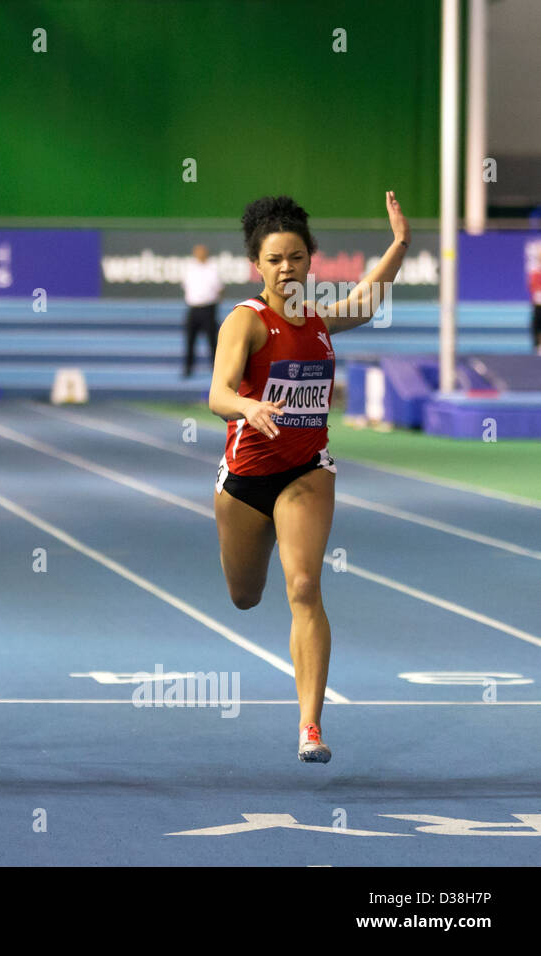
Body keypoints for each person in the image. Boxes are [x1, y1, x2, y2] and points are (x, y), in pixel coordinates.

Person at [209, 192, 409, 762]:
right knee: (245, 597)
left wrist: (398, 245)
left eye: (296, 256)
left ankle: (310, 727)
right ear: (258, 266)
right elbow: (217, 392)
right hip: (247, 478)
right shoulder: (245, 322)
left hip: (305, 471)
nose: (287, 268)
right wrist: (246, 408)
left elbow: (366, 302)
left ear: (310, 258)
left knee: (303, 586)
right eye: (274, 259)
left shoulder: (319, 317)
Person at [182, 244, 223, 377]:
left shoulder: (213, 268)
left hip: (209, 308)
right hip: (193, 308)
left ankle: (216, 369)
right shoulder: (189, 268)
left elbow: (219, 288)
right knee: (190, 340)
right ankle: (188, 368)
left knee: (212, 341)